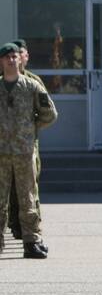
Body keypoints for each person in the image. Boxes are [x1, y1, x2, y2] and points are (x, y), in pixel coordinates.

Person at [0, 41, 56, 258]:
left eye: (15, 56)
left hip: (24, 152)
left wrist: (31, 129)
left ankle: (31, 241)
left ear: (20, 59)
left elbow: (50, 114)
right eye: (7, 57)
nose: (12, 60)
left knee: (28, 197)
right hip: (2, 152)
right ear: (2, 62)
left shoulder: (32, 86)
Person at [7, 38, 46, 241]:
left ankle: (31, 231)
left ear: (26, 56)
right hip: (5, 147)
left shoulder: (33, 82)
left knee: (30, 188)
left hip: (27, 145)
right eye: (12, 55)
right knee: (9, 188)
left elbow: (47, 112)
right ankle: (14, 225)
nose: (17, 58)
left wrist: (29, 128)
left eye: (20, 54)